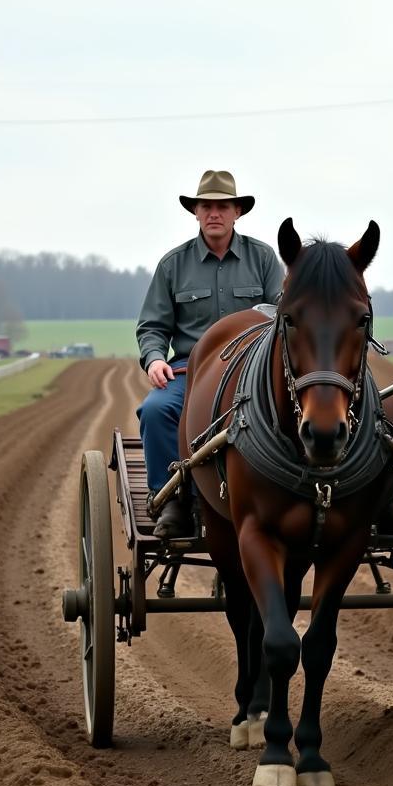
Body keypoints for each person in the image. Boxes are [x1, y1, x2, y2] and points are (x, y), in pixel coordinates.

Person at [137, 170, 284, 538]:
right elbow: (153, 326)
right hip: (191, 370)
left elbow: (284, 314)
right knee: (155, 411)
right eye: (207, 206)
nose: (214, 213)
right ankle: (171, 498)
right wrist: (155, 358)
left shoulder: (264, 259)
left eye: (222, 206)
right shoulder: (173, 266)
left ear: (237, 212)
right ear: (196, 212)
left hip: (252, 367)